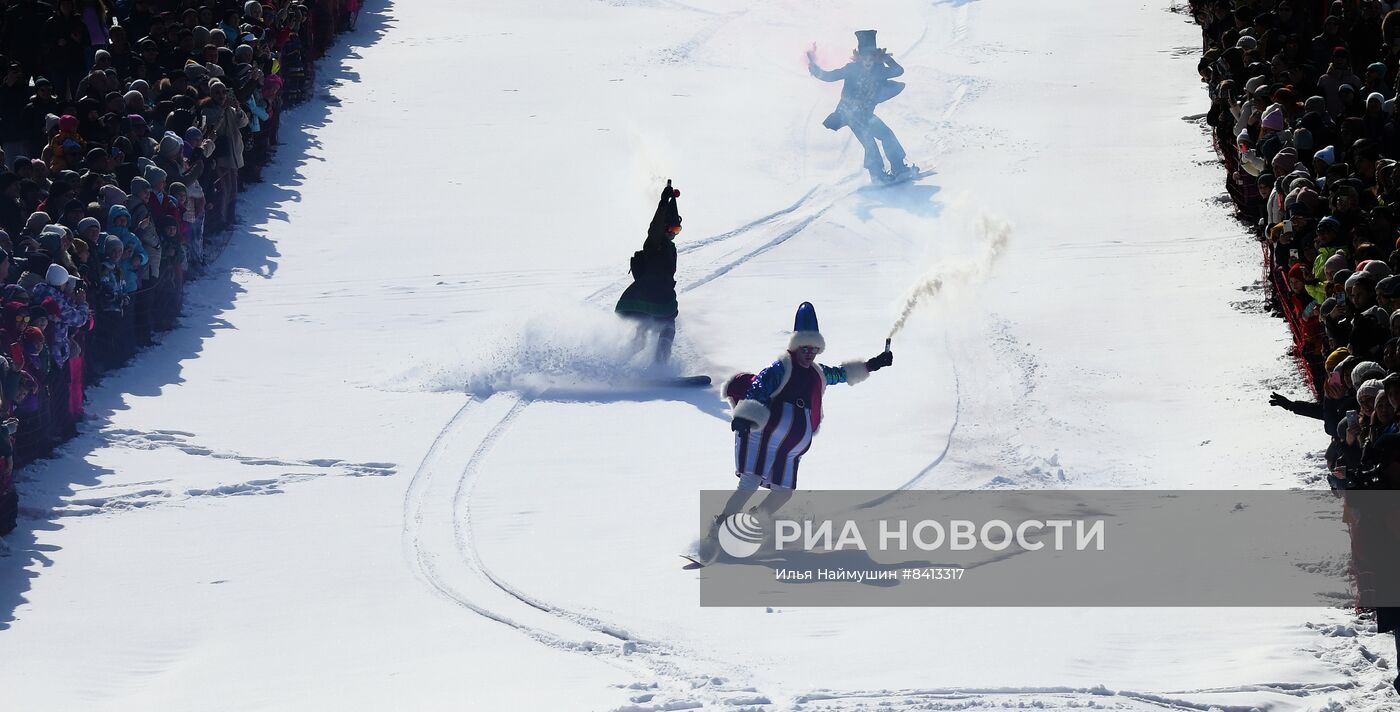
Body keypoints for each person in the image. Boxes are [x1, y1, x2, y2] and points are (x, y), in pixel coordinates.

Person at [694, 302, 893, 563]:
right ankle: (719, 529)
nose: (809, 353)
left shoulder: (818, 374)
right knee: (750, 481)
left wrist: (873, 364)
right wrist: (744, 416)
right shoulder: (781, 368)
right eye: (805, 348)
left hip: (789, 447)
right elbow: (759, 387)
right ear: (795, 346)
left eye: (814, 349)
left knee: (784, 491)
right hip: (763, 435)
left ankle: (750, 525)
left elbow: (841, 374)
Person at [808, 30, 913, 184]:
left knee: (887, 134)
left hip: (866, 114)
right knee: (868, 141)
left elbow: (898, 71)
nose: (868, 60)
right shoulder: (851, 69)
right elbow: (830, 76)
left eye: (871, 56)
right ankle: (877, 176)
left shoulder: (879, 70)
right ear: (859, 56)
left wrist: (888, 59)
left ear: (876, 57)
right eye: (864, 56)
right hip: (849, 114)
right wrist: (815, 69)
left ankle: (899, 168)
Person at [614, 180, 680, 367]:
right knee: (668, 326)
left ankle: (617, 365)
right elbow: (655, 228)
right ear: (666, 228)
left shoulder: (669, 246)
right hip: (653, 297)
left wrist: (670, 203)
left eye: (678, 230)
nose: (675, 233)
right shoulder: (655, 243)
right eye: (673, 229)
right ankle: (660, 367)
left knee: (643, 334)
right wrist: (663, 204)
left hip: (645, 299)